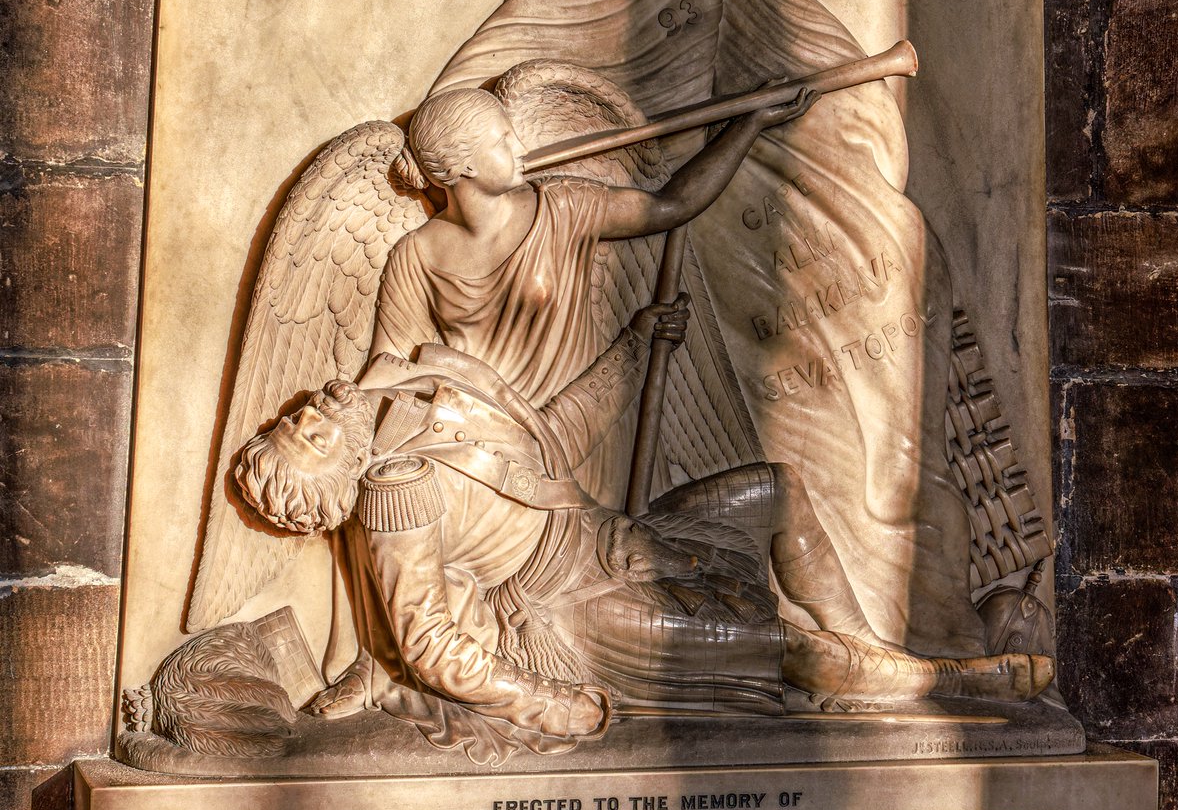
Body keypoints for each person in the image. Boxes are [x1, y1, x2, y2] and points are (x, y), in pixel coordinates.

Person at [237, 308, 1053, 759]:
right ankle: (957, 679)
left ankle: (871, 652)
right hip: (575, 614)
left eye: (290, 422)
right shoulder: (397, 493)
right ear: (340, 474)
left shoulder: (421, 381)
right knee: (778, 645)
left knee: (778, 489)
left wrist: (634, 348)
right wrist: (547, 703)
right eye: (309, 439)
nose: (307, 416)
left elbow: (553, 438)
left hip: (616, 538)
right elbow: (429, 646)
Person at [365, 82, 820, 508]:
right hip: (492, 457)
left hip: (585, 434)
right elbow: (389, 371)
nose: (520, 148)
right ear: (464, 164)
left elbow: (670, 206)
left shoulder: (562, 208)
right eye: (503, 141)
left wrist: (748, 126)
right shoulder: (416, 256)